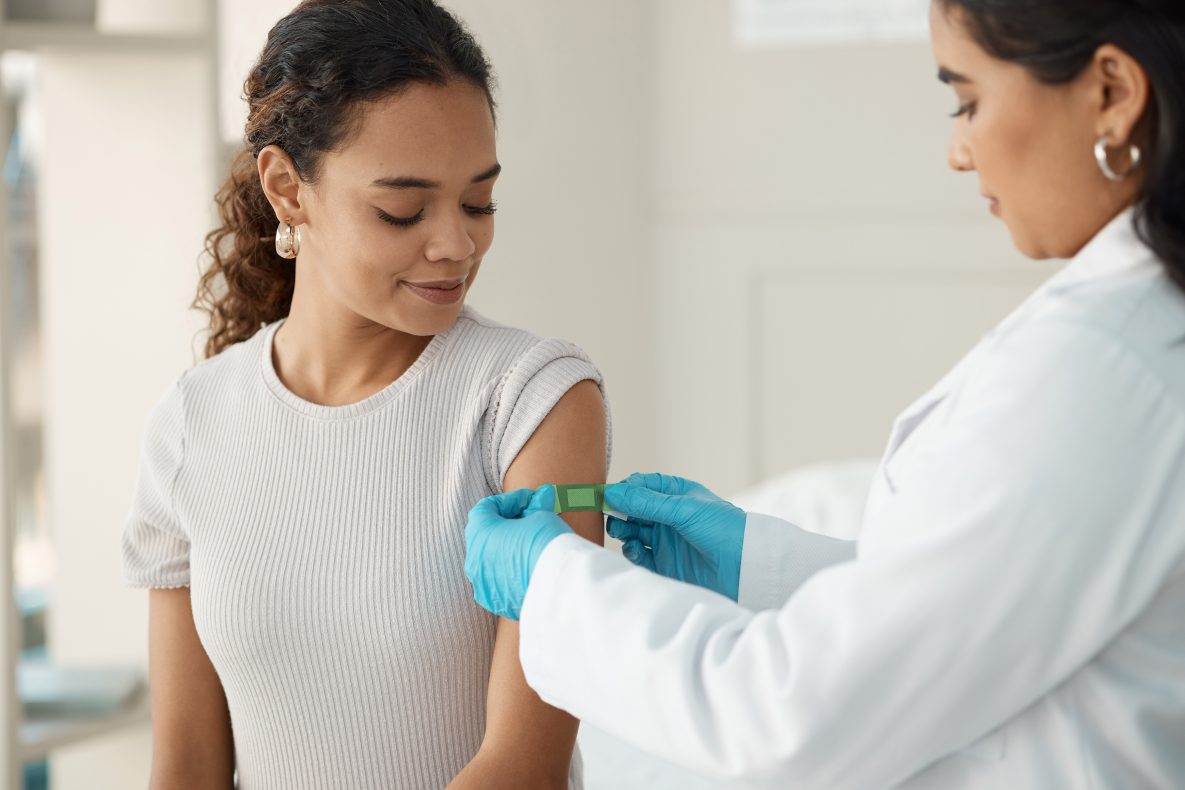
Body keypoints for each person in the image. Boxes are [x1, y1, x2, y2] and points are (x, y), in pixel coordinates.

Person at [463, 1, 1185, 787]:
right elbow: (986, 615)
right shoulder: (1129, 339)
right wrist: (760, 569)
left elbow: (794, 713)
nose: (958, 151)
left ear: (1113, 92)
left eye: (967, 100)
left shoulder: (1101, 366)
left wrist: (556, 588)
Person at [120, 1, 609, 788]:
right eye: (402, 209)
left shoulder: (531, 403)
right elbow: (184, 770)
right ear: (287, 190)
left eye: (478, 201)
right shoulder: (191, 426)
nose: (456, 244)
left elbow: (524, 766)